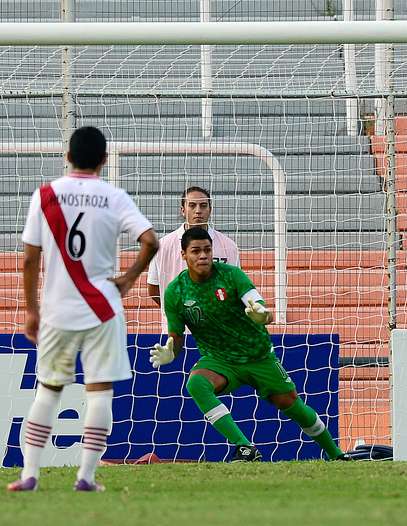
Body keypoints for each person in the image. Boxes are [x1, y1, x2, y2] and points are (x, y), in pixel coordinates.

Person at [9, 126, 158, 492]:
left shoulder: (45, 196)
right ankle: (86, 477)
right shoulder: (114, 196)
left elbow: (30, 259)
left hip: (58, 309)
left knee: (48, 390)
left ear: (68, 157)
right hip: (102, 309)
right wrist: (127, 279)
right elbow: (151, 241)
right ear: (104, 160)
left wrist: (31, 310)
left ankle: (29, 474)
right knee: (99, 392)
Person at [149, 227, 348, 462]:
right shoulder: (175, 292)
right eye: (196, 251)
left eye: (207, 250)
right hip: (219, 360)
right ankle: (244, 446)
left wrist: (262, 315)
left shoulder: (231, 275)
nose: (203, 256)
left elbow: (259, 305)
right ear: (184, 255)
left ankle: (336, 454)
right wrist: (171, 352)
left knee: (291, 404)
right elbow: (176, 337)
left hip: (258, 355)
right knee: (196, 383)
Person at [147, 186, 239, 321]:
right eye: (192, 205)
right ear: (183, 210)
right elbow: (154, 289)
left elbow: (235, 288)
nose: (198, 211)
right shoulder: (163, 246)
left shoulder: (228, 246)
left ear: (210, 210)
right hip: (177, 330)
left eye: (203, 206)